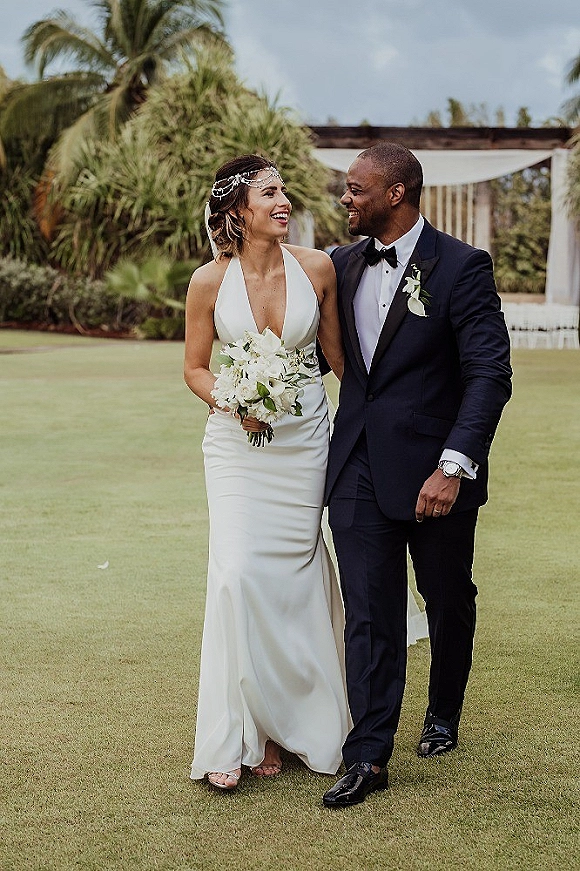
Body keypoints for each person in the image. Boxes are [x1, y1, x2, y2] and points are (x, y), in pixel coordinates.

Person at [322, 143, 512, 808]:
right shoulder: (339, 265)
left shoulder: (461, 266)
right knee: (369, 612)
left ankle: (443, 710)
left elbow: (489, 373)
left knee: (446, 596)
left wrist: (453, 464)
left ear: (395, 193)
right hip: (357, 465)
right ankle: (369, 755)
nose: (345, 198)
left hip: (436, 474)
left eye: (356, 188)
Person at [183, 154, 349, 791]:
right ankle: (238, 729)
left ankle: (288, 725)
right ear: (238, 211)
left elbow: (339, 362)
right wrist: (236, 399)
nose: (284, 202)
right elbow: (195, 368)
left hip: (304, 441)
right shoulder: (208, 282)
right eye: (269, 193)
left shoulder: (317, 268)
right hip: (236, 446)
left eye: (284, 191)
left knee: (296, 577)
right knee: (237, 572)